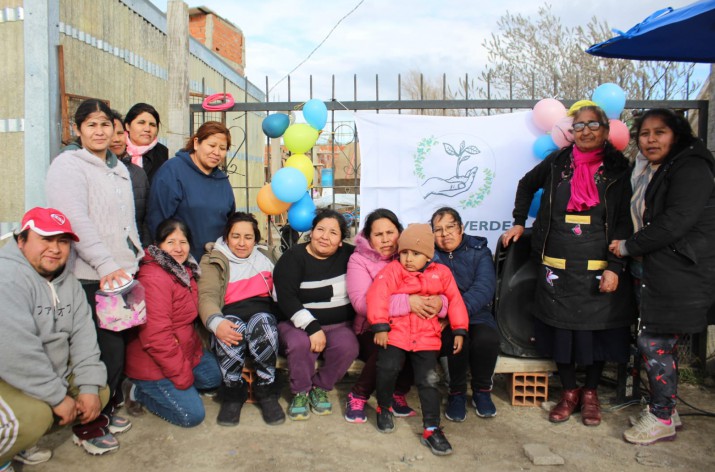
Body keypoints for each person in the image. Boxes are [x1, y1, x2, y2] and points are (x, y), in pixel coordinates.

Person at [502, 105, 634, 427]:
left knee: (595, 332)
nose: (586, 131)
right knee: (560, 328)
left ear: (605, 129)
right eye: (580, 125)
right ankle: (570, 392)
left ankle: (590, 394)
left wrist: (615, 267)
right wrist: (519, 222)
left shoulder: (619, 170)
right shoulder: (556, 163)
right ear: (571, 131)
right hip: (556, 264)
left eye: (593, 124)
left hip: (598, 266)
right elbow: (525, 184)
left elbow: (623, 221)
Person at [608, 109, 715, 445]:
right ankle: (665, 407)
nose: (651, 140)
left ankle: (662, 417)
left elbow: (673, 223)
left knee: (654, 343)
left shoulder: (692, 167)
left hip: (676, 270)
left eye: (660, 132)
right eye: (645, 133)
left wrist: (628, 246)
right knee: (655, 343)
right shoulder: (650, 168)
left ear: (677, 134)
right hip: (654, 267)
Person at [46, 99, 142, 449]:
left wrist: (135, 257)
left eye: (106, 125)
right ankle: (86, 426)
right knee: (98, 352)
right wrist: (104, 264)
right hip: (91, 275)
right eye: (92, 125)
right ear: (79, 129)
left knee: (118, 349)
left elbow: (125, 221)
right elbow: (74, 219)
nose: (100, 132)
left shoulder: (118, 168)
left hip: (122, 273)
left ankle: (107, 406)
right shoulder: (69, 165)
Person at [0, 208, 111, 469]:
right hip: (7, 374)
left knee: (97, 391)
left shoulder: (68, 283)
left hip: (44, 373)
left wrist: (87, 388)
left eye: (62, 241)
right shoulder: (7, 277)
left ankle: (23, 442)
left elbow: (84, 339)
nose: (55, 249)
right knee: (34, 417)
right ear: (21, 240)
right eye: (45, 239)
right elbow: (15, 351)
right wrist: (57, 397)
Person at [367, 223, 469, 456]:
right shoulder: (393, 271)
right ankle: (384, 407)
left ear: (428, 256)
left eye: (416, 253)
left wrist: (460, 329)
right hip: (395, 333)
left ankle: (431, 428)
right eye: (404, 252)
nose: (409, 259)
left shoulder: (441, 274)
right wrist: (380, 326)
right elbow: (377, 296)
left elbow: (454, 300)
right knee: (387, 367)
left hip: (426, 337)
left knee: (429, 380)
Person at [123, 219, 222, 427]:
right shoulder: (154, 278)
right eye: (170, 242)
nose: (178, 248)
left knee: (214, 378)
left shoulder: (184, 270)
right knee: (191, 416)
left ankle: (177, 388)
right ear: (158, 245)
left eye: (183, 242)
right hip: (153, 360)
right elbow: (156, 337)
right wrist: (181, 374)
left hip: (184, 349)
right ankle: (137, 390)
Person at [198, 212, 285, 427]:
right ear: (226, 237)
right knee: (232, 327)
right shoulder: (214, 259)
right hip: (229, 313)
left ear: (255, 238)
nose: (242, 242)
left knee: (263, 323)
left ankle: (266, 389)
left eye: (248, 237)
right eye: (236, 236)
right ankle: (233, 392)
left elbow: (285, 287)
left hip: (262, 313)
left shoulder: (267, 256)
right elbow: (206, 295)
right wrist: (215, 322)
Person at [273, 208, 359, 420]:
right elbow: (286, 298)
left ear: (341, 240)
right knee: (300, 344)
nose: (325, 237)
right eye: (320, 229)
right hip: (296, 323)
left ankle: (320, 387)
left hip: (339, 324)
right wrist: (312, 327)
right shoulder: (293, 258)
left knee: (348, 346)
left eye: (333, 233)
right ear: (311, 232)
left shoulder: (350, 256)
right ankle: (300, 392)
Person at [344, 208, 420, 423]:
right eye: (378, 235)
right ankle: (358, 394)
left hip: (406, 325)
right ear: (369, 238)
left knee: (424, 343)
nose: (386, 240)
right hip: (370, 328)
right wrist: (408, 303)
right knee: (390, 347)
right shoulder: (358, 261)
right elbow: (361, 305)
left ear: (400, 232)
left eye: (390, 232)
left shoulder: (410, 255)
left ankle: (398, 392)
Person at [431, 207, 499, 421]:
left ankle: (482, 391)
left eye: (450, 227)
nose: (445, 234)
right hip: (444, 318)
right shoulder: (429, 255)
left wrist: (455, 313)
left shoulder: (479, 251)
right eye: (438, 230)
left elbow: (484, 288)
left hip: (477, 313)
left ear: (461, 228)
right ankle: (457, 393)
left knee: (486, 339)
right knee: (454, 340)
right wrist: (449, 316)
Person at [147, 121, 235, 263]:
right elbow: (157, 221)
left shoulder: (222, 180)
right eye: (211, 146)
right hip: (181, 263)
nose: (217, 152)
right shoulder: (173, 171)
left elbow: (229, 221)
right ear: (196, 143)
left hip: (215, 264)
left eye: (223, 148)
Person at [110, 109, 151, 246]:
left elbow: (145, 218)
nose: (116, 139)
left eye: (120, 133)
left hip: (135, 251)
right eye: (111, 134)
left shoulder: (138, 173)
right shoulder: (90, 172)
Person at [123, 102, 168, 183]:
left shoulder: (164, 153)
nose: (147, 129)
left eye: (152, 125)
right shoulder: (117, 149)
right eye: (141, 123)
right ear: (127, 126)